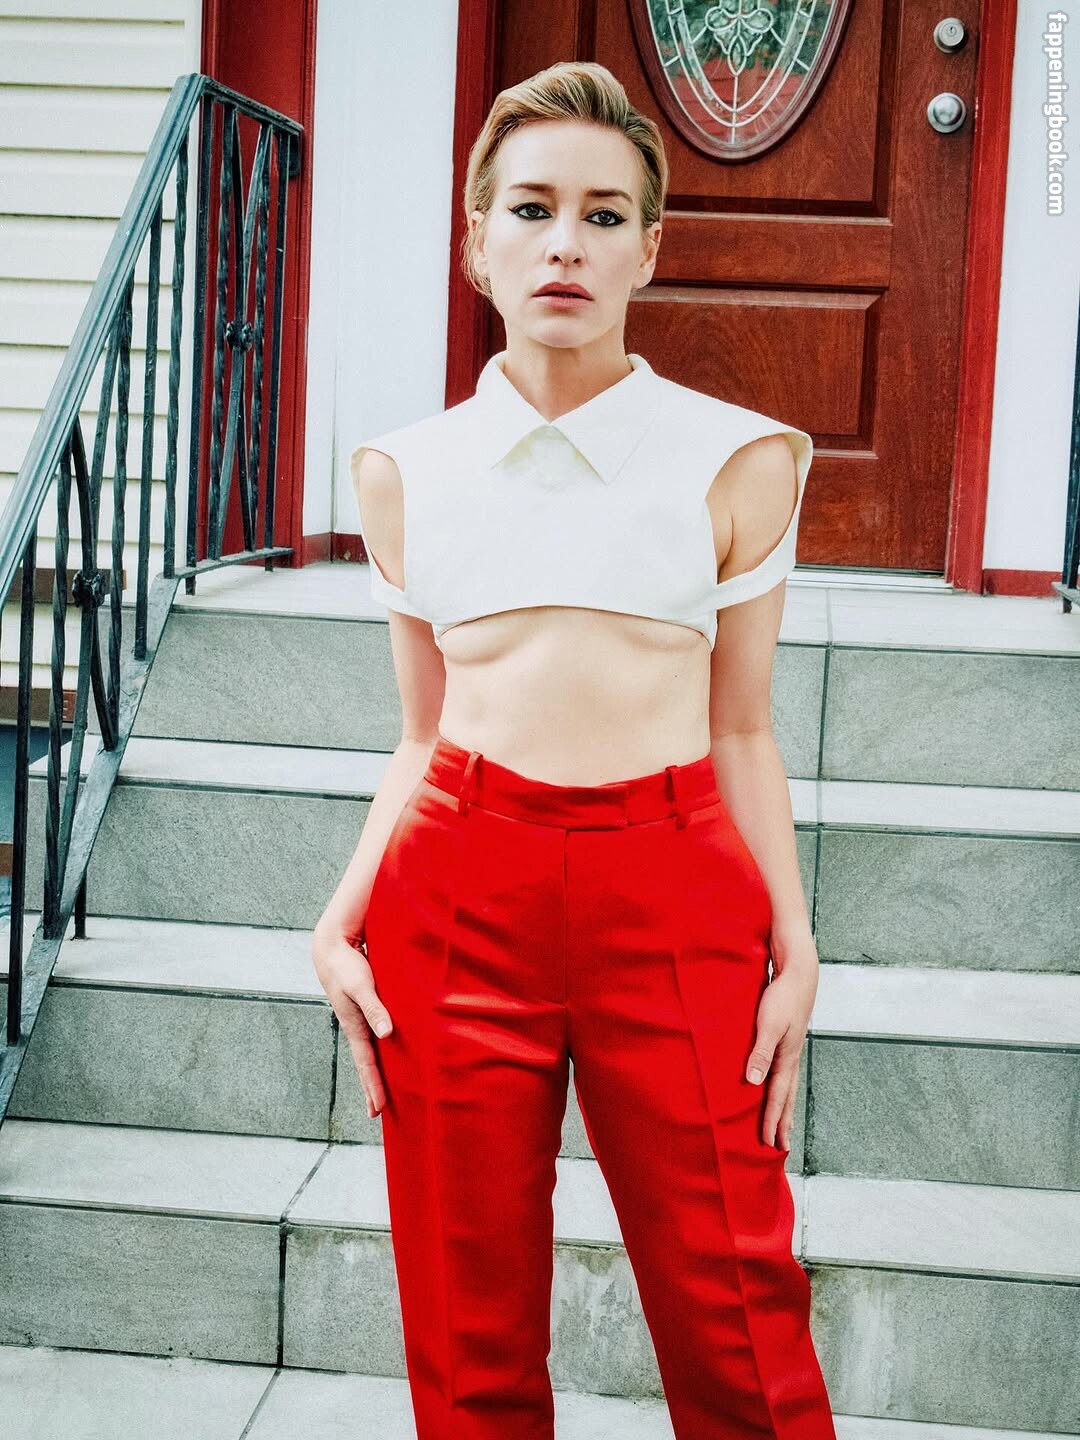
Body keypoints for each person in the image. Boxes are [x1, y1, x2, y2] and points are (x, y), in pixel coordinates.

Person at [312, 59, 836, 1440]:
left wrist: (796, 943)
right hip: (455, 889)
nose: (567, 244)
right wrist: (338, 916)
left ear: (649, 251)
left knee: (735, 1300)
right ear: (476, 236)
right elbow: (422, 731)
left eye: (606, 216)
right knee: (466, 1322)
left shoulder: (741, 458)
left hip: (669, 883)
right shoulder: (403, 472)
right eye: (533, 208)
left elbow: (740, 722)